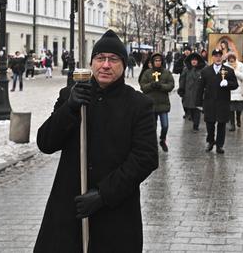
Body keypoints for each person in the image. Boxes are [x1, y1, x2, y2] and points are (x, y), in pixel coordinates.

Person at [35, 30, 158, 252]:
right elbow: (46, 143)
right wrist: (69, 108)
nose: (106, 65)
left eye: (113, 59)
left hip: (115, 211)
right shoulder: (70, 95)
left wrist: (103, 194)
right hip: (70, 208)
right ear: (92, 63)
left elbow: (145, 158)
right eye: (100, 58)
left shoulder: (139, 105)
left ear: (123, 64)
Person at [195, 49, 238, 154]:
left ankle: (220, 145)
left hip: (223, 102)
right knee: (209, 124)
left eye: (220, 56)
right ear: (212, 57)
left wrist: (227, 83)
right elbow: (200, 88)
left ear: (222, 57)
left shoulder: (229, 70)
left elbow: (235, 85)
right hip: (209, 102)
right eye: (216, 56)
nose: (218, 58)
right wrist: (198, 103)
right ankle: (210, 141)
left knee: (221, 124)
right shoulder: (206, 71)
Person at [139, 53, 175, 152]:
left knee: (165, 125)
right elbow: (143, 87)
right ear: (153, 62)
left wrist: (161, 86)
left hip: (163, 104)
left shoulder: (167, 73)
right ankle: (152, 144)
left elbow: (171, 85)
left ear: (162, 62)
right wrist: (151, 85)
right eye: (156, 61)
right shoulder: (147, 73)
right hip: (151, 104)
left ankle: (162, 140)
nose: (158, 62)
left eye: (159, 61)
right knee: (152, 127)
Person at [178, 52, 205, 132]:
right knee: (190, 110)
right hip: (188, 92)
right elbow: (182, 80)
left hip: (198, 93)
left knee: (197, 110)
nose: (194, 61)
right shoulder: (186, 70)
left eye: (195, 60)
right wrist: (181, 89)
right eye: (192, 60)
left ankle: (196, 126)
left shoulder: (202, 70)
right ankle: (193, 119)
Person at [225, 52, 243, 131]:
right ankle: (232, 124)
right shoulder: (225, 65)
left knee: (239, 108)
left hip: (239, 90)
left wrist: (236, 72)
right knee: (231, 109)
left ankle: (238, 118)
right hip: (230, 90)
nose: (231, 61)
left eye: (233, 60)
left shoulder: (240, 65)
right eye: (230, 60)